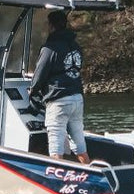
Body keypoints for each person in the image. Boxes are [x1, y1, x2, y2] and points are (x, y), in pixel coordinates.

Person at [28, 10, 91, 164]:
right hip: (77, 98)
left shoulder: (51, 48)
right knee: (78, 141)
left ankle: (56, 179)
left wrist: (33, 91)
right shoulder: (75, 45)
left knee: (56, 144)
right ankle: (90, 169)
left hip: (59, 101)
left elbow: (39, 75)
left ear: (51, 25)